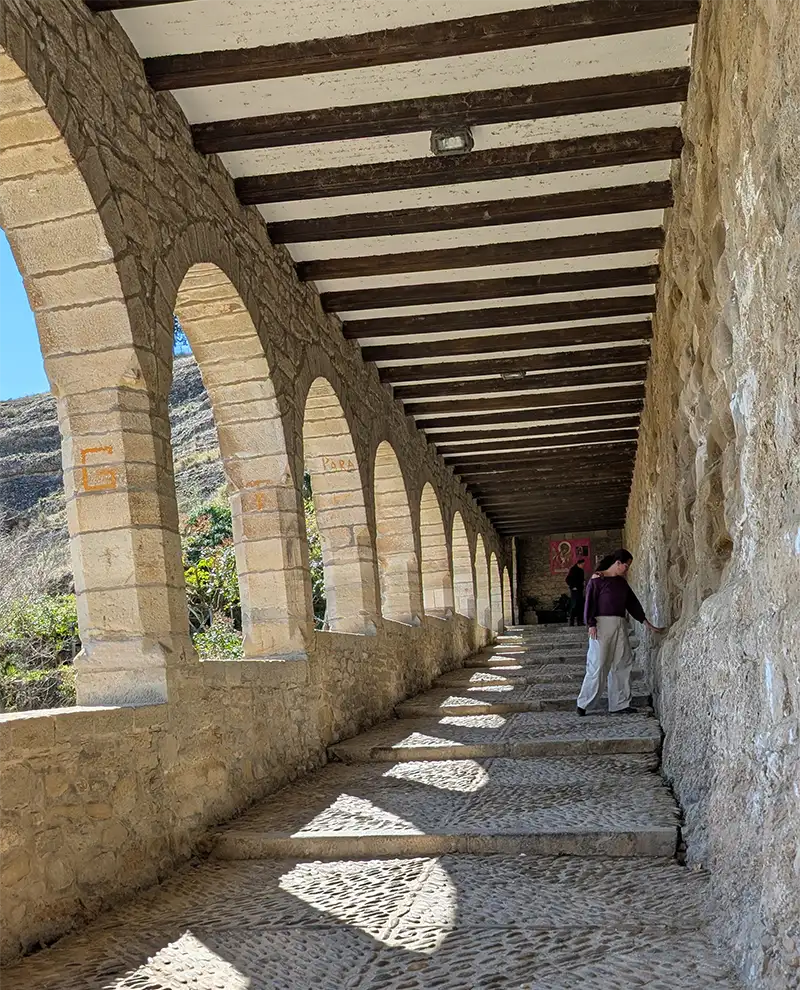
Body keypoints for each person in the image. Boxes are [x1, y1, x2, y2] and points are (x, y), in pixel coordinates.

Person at [576, 549, 666, 716]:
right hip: (601, 625)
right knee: (599, 664)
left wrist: (646, 622)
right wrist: (591, 624)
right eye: (626, 565)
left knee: (622, 663)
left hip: (619, 624)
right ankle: (584, 703)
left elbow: (632, 603)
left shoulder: (621, 583)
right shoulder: (597, 580)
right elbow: (589, 602)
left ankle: (619, 703)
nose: (627, 569)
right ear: (617, 563)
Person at [565, 557, 586, 627]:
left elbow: (581, 580)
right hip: (575, 591)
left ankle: (580, 621)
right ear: (578, 564)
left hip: (580, 590)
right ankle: (571, 622)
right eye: (582, 564)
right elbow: (568, 579)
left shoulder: (581, 571)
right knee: (574, 606)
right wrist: (573, 586)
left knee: (580, 606)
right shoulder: (573, 570)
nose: (583, 566)